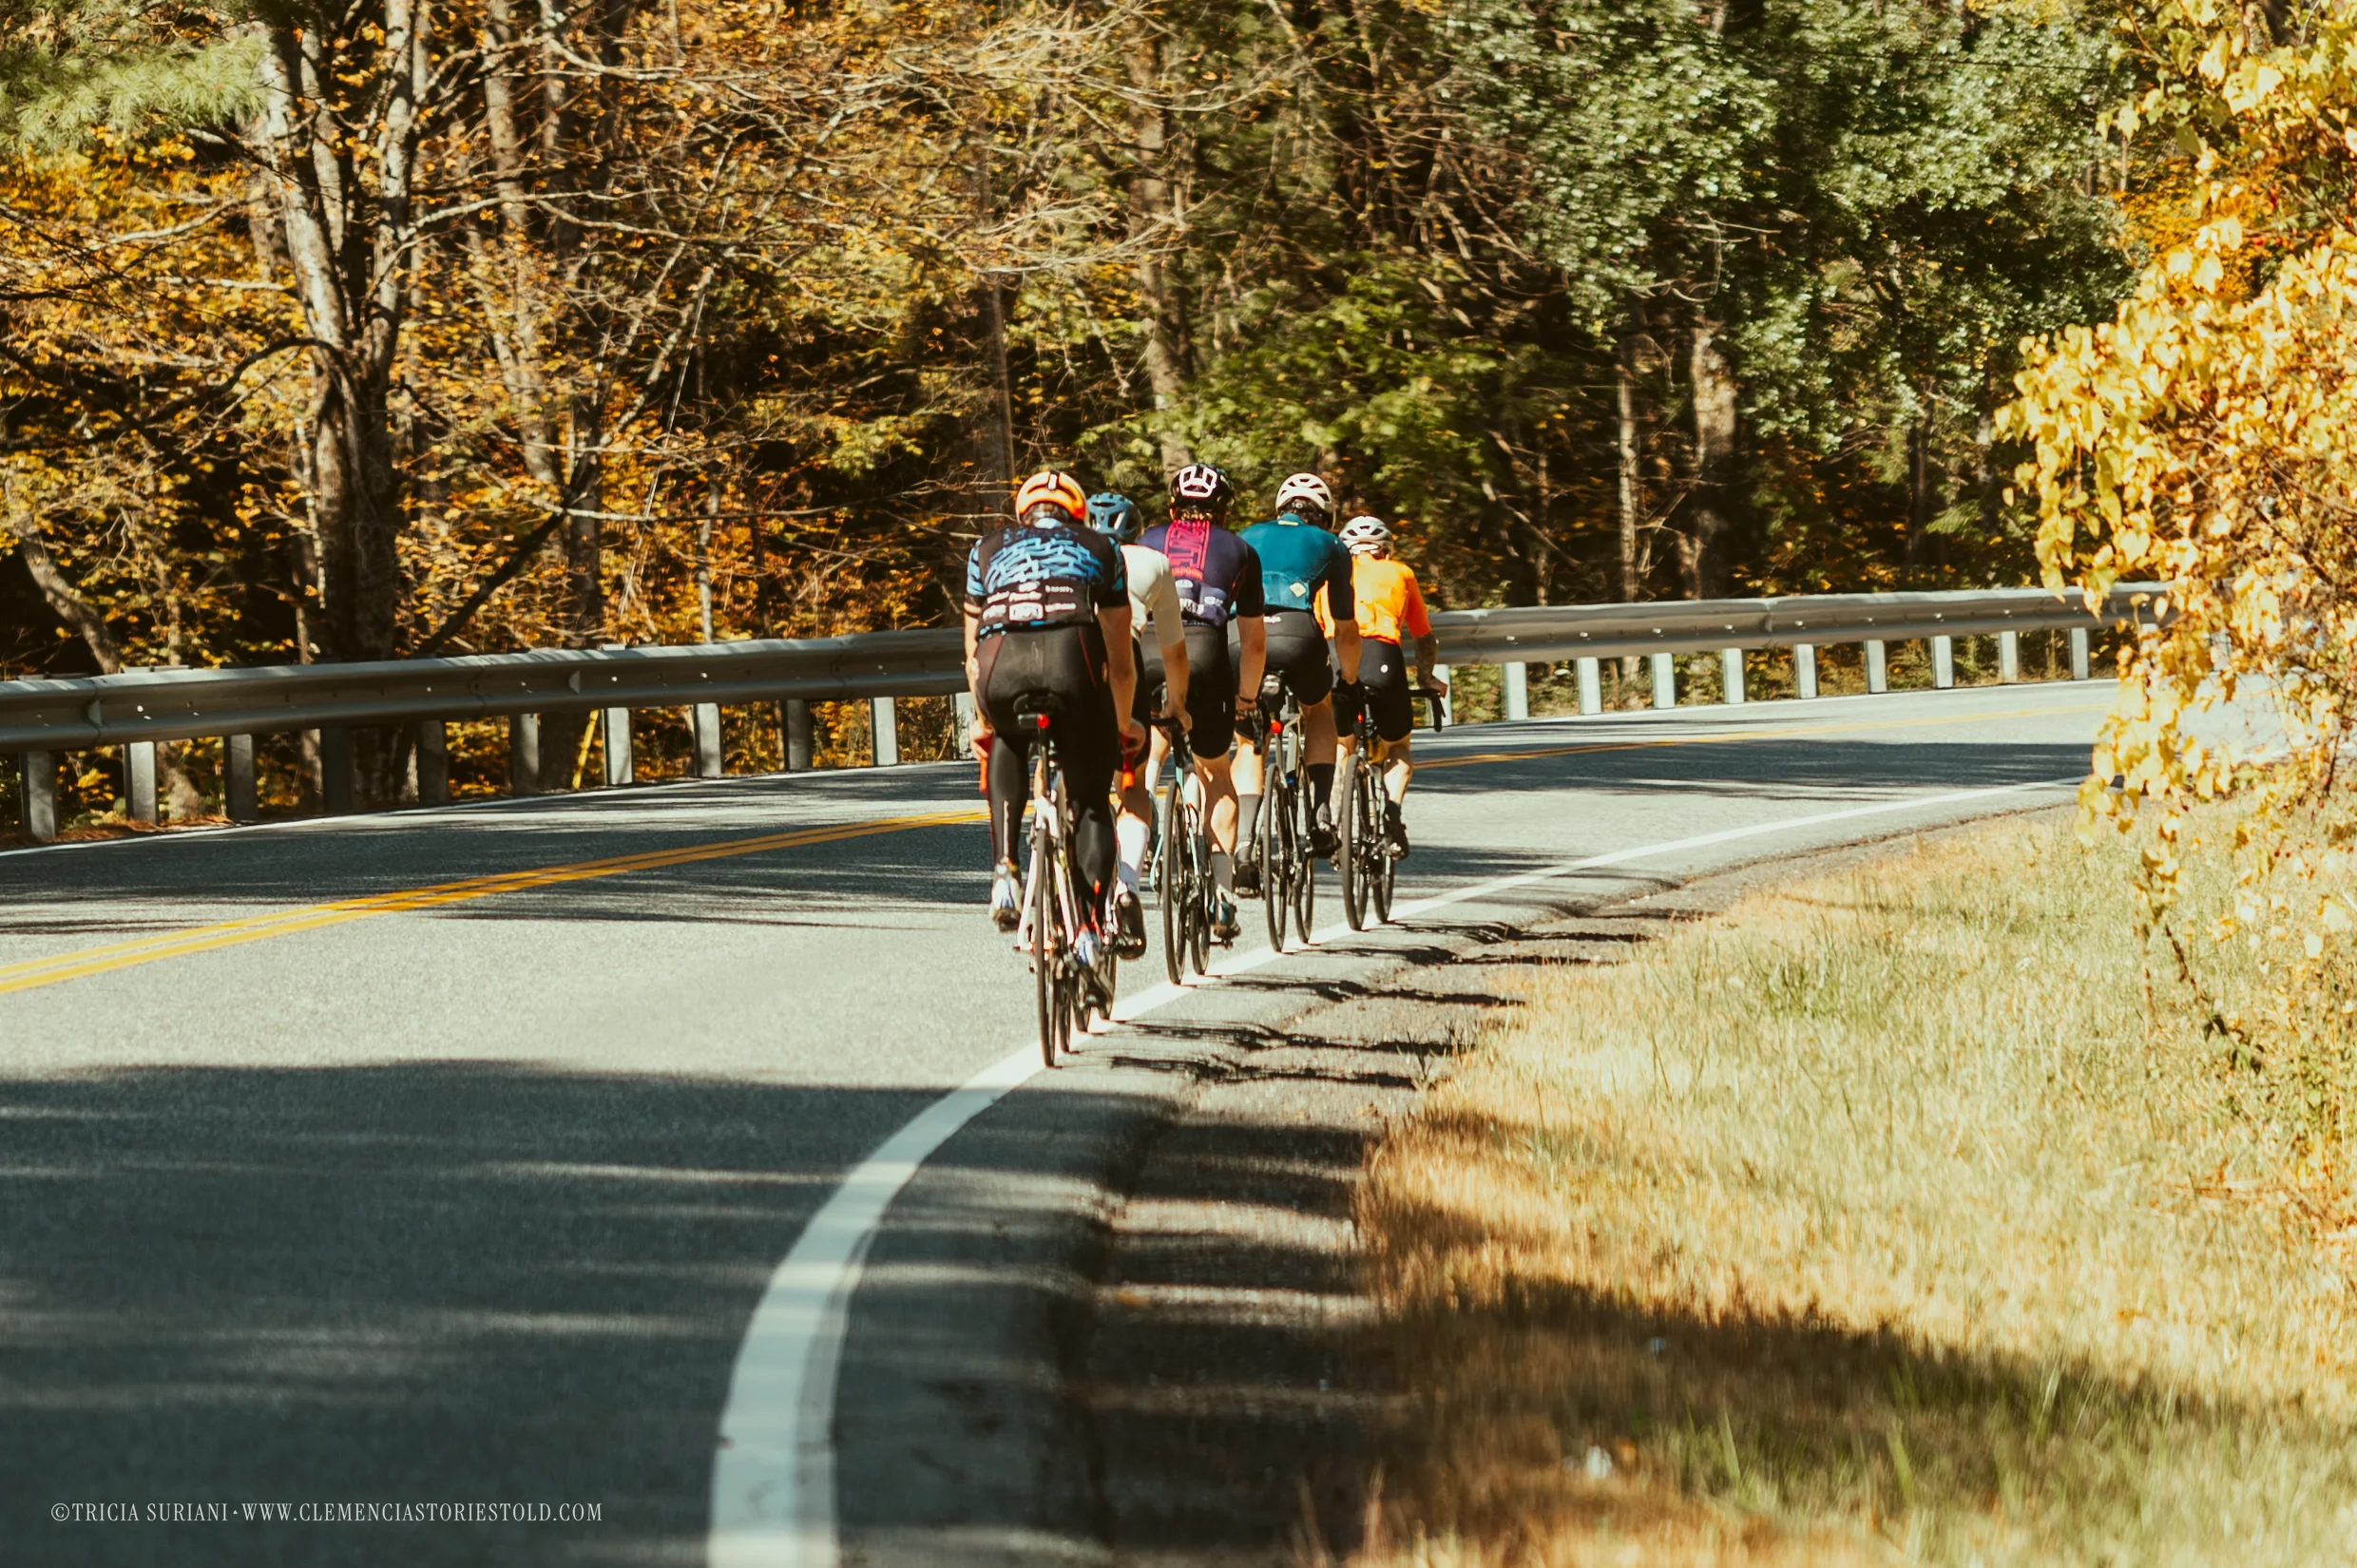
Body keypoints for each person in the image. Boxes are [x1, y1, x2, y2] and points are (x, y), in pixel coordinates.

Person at [963, 469, 1145, 980]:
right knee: (1089, 803)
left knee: (1007, 739)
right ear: (1076, 513)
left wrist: (984, 718)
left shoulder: (986, 549)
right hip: (1073, 660)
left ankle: (1004, 870)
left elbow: (972, 655)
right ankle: (1088, 929)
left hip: (1002, 661)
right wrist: (1124, 721)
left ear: (1023, 513)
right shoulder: (1101, 547)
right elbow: (1121, 656)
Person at [1139, 463, 1266, 940]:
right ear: (1223, 510)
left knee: (1151, 742)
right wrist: (1246, 698)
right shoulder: (1241, 550)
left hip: (1149, 646)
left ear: (1172, 507)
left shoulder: (1146, 539)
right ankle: (1222, 897)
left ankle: (1145, 815)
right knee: (1215, 771)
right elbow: (1252, 643)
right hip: (1206, 651)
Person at [1234, 471, 1358, 874]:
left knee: (1248, 738)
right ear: (1324, 515)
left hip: (1240, 636)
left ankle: (1245, 842)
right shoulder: (1333, 545)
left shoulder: (1248, 533)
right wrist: (1350, 682)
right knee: (1319, 709)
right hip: (1297, 633)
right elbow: (1345, 626)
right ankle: (1321, 815)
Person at [1087, 490, 1188, 958]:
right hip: (1126, 666)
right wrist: (1180, 705)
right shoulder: (1154, 563)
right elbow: (1173, 650)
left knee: (1061, 776)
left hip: (1073, 662)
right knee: (1133, 790)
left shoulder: (1069, 552)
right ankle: (1126, 883)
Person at [1326, 515, 1447, 856]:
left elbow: (1317, 628)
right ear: (1387, 550)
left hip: (1337, 656)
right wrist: (1427, 677)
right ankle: (1392, 812)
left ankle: (1334, 826)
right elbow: (1424, 637)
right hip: (1383, 657)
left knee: (1340, 745)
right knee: (1398, 746)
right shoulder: (1400, 572)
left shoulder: (1329, 573)